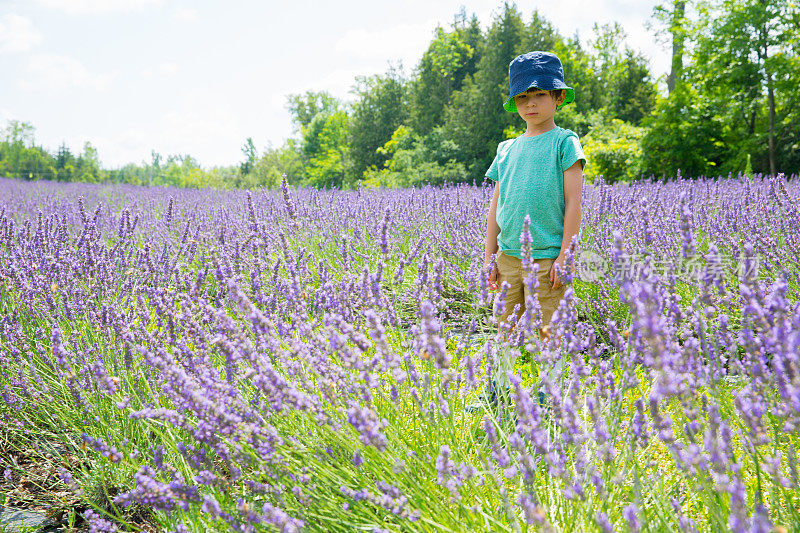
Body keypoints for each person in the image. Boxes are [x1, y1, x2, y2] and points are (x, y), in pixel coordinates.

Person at [474, 51, 586, 408]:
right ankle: (497, 393)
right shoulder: (506, 149)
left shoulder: (564, 143)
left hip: (547, 257)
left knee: (549, 329)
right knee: (505, 328)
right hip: (508, 256)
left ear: (557, 97)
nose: (530, 104)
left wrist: (565, 255)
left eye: (538, 95)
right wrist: (489, 255)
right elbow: (496, 206)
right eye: (522, 97)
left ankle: (549, 395)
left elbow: (573, 204)